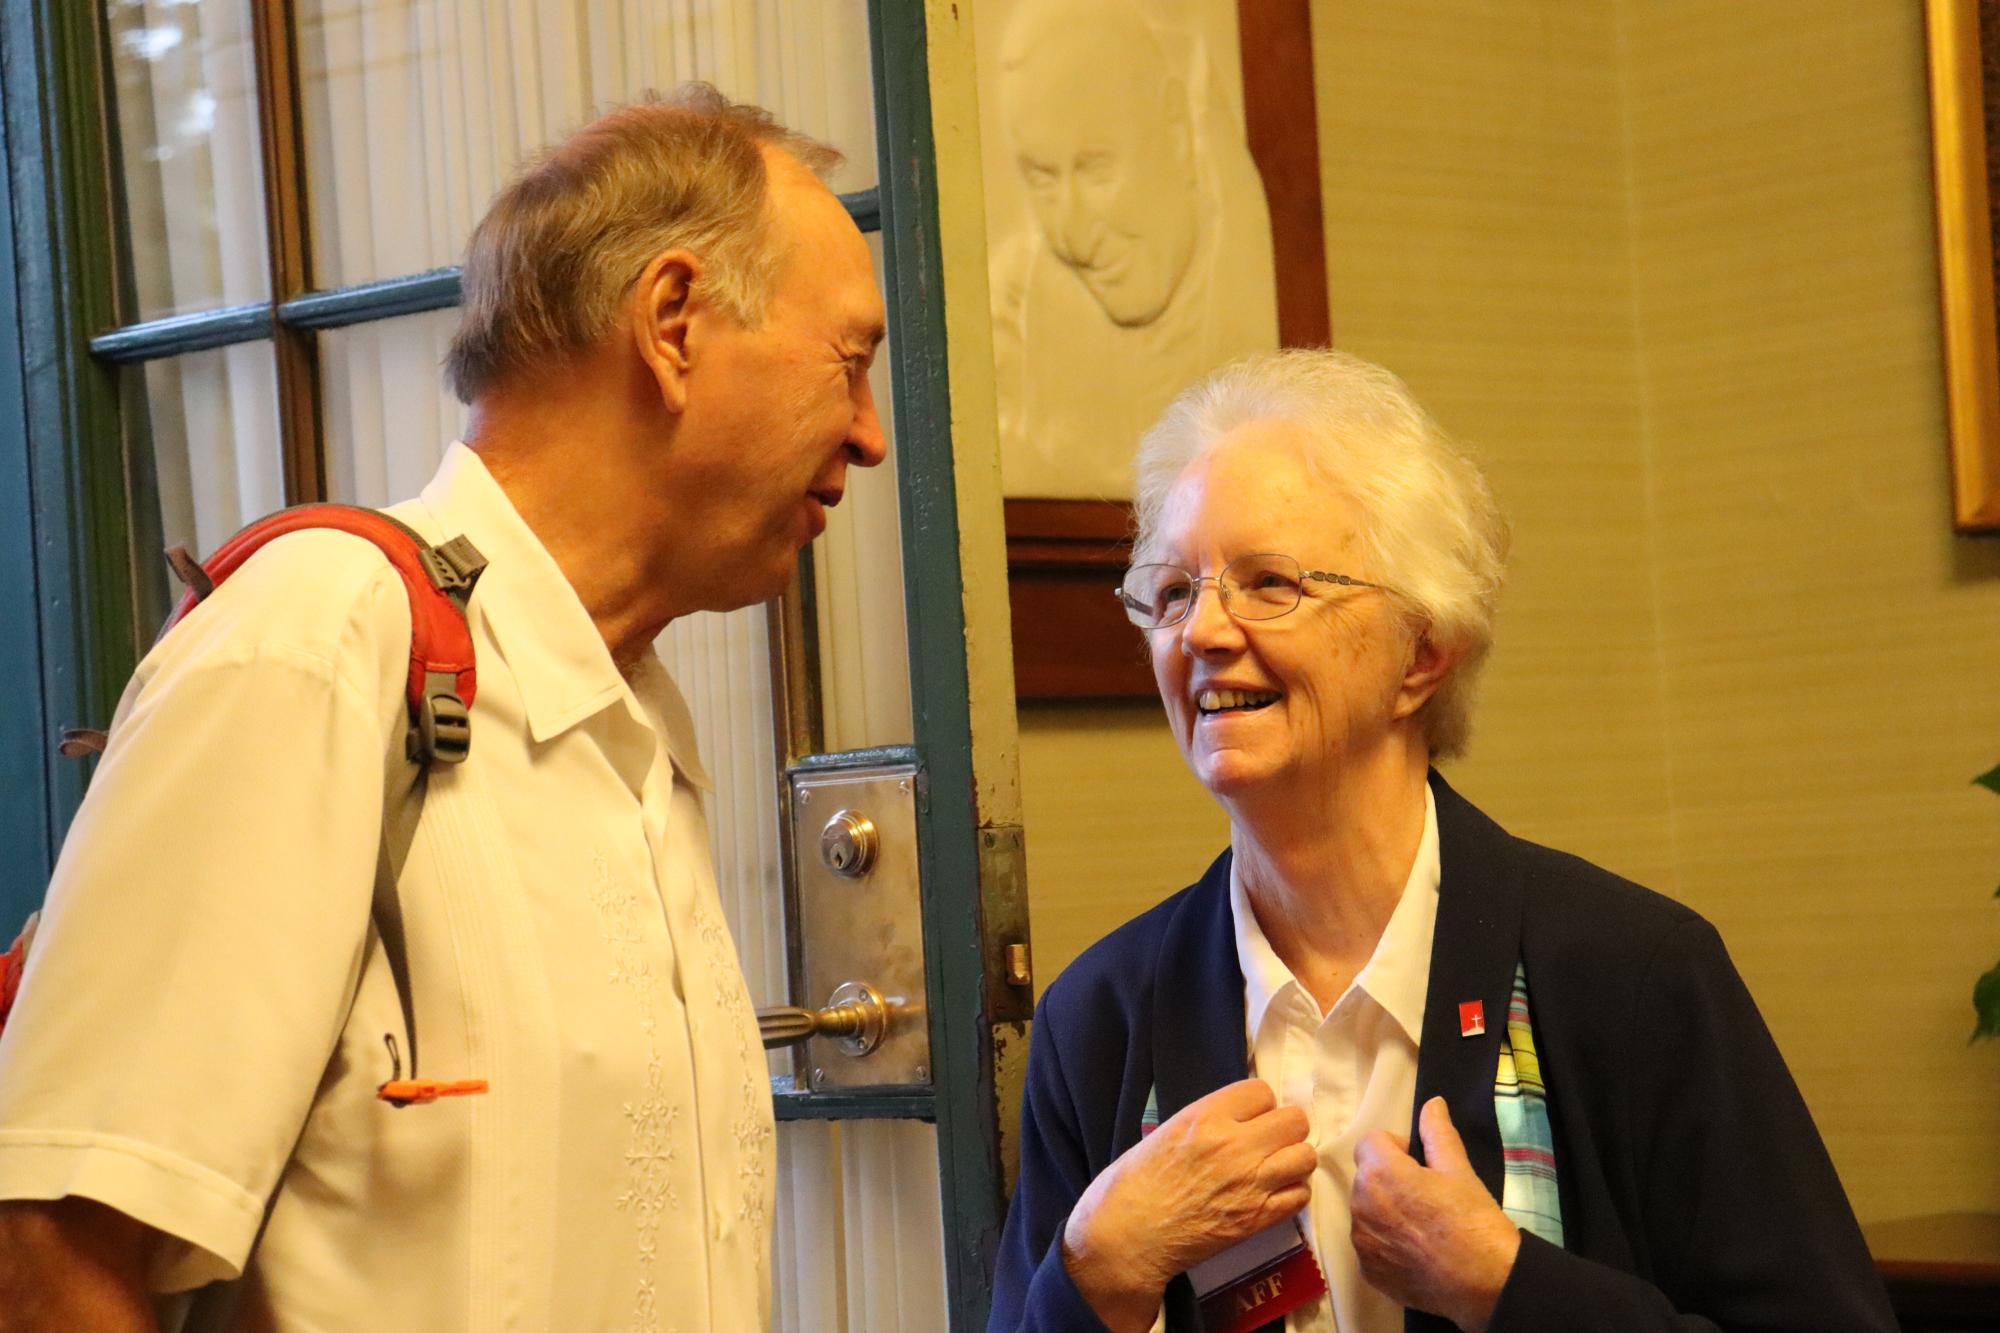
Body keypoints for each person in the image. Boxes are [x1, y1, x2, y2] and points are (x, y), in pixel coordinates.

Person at [0, 86, 886, 1330]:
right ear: (673, 321)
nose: (868, 434)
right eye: (849, 360)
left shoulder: (632, 729)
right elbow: (53, 1263)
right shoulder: (313, 643)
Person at [990, 349, 1895, 1332]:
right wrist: (1094, 1273)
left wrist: (1509, 1288)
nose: (1202, 630)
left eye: (1268, 584)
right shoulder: (1104, 1016)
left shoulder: (1628, 976)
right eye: (1170, 592)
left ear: (1421, 652)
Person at [987, 0, 1277, 500]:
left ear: (1176, 128)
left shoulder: (1259, 296)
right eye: (1043, 178)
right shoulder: (1005, 314)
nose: (1072, 235)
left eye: (1097, 169)